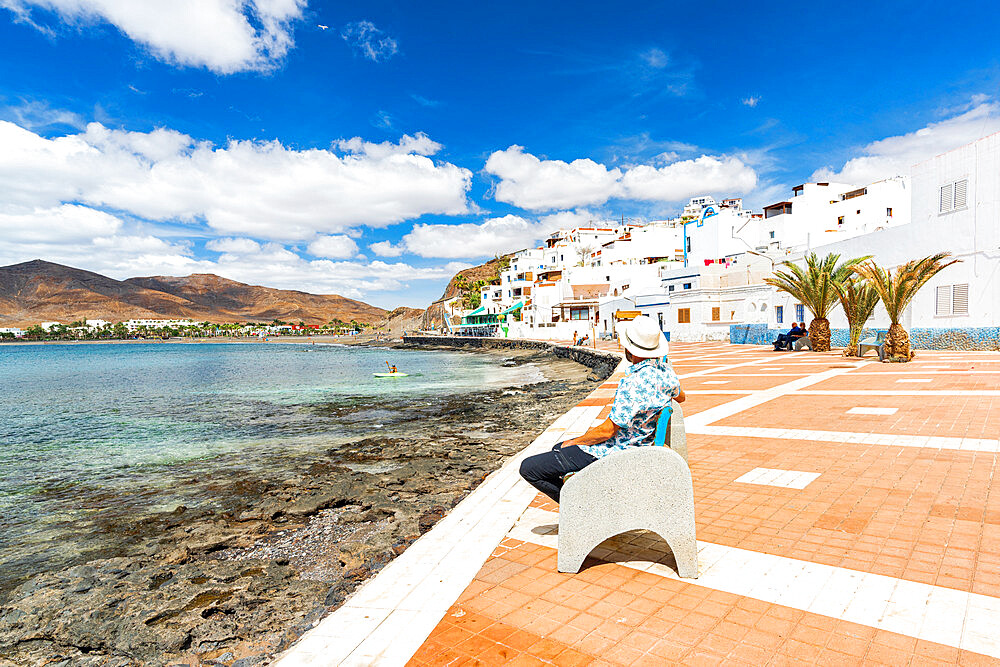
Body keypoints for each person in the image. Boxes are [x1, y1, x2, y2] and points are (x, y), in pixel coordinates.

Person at [519, 315, 685, 503]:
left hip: (617, 452)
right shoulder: (666, 373)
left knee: (529, 468)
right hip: (640, 446)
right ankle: (584, 498)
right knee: (557, 449)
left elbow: (607, 431)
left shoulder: (632, 383)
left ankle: (580, 507)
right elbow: (681, 396)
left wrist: (575, 441)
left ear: (631, 349)